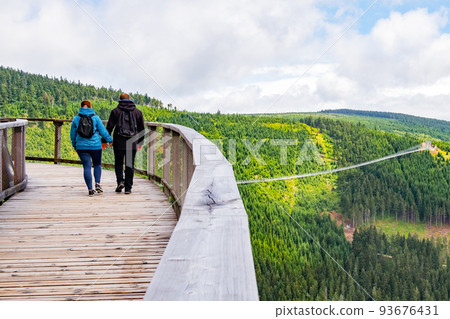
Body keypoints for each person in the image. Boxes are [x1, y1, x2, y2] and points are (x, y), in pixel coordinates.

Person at [70, 100, 113, 196]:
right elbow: (103, 131)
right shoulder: (96, 118)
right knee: (97, 164)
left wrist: (75, 145)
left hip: (81, 146)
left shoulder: (76, 119)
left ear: (81, 107)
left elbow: (72, 134)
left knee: (87, 166)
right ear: (90, 107)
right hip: (95, 146)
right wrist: (110, 140)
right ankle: (97, 184)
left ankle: (90, 189)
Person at [106, 93, 145, 194]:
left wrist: (106, 140)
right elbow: (141, 128)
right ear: (130, 99)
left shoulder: (115, 111)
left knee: (118, 163)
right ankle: (128, 188)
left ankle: (120, 182)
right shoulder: (137, 112)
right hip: (132, 143)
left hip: (118, 142)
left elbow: (109, 127)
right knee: (129, 164)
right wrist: (140, 141)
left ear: (120, 99)